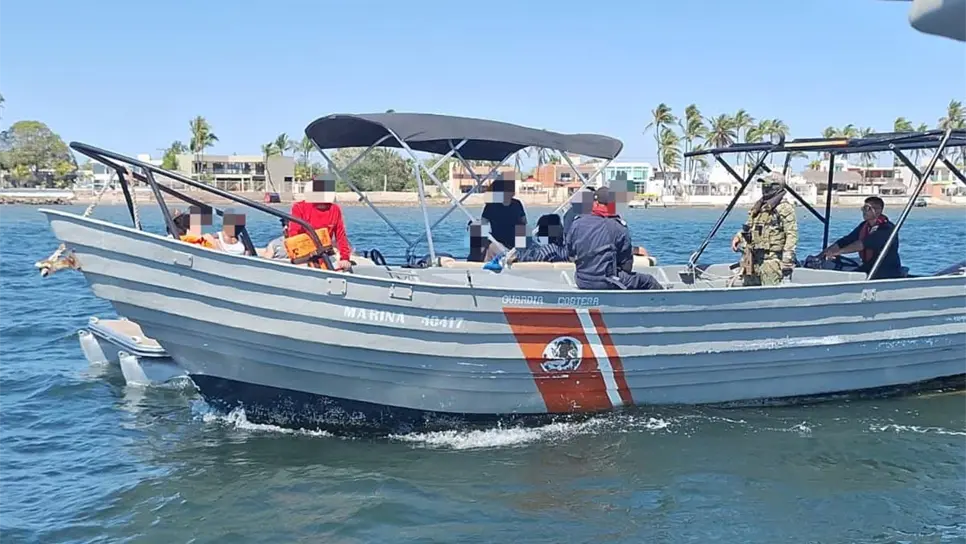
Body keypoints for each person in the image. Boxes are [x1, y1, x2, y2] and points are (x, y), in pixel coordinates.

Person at [565, 186, 663, 290]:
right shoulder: (618, 226)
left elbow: (570, 254)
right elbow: (627, 265)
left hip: (582, 280)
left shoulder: (576, 223)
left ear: (595, 203)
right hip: (607, 281)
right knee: (649, 281)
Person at [730, 172, 798, 286]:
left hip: (771, 260)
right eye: (764, 185)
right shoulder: (759, 206)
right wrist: (738, 236)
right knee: (749, 291)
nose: (764, 188)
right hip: (753, 258)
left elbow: (791, 234)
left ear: (776, 186)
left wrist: (787, 259)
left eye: (768, 185)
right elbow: (750, 225)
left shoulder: (784, 207)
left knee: (769, 293)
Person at [820, 196, 903, 279]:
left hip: (886, 271)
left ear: (878, 211)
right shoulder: (864, 226)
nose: (864, 211)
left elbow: (862, 244)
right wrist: (823, 254)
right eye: (863, 208)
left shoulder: (886, 229)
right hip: (868, 267)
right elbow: (845, 241)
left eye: (867, 208)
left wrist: (837, 252)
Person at [288, 175, 353, 270]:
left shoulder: (335, 209)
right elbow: (294, 234)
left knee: (340, 268)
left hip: (325, 253)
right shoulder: (299, 207)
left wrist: (345, 258)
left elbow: (341, 236)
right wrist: (307, 256)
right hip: (304, 254)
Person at [481, 179, 527, 252]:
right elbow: (524, 222)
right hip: (504, 245)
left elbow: (483, 224)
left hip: (506, 245)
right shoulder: (517, 204)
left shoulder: (491, 205)